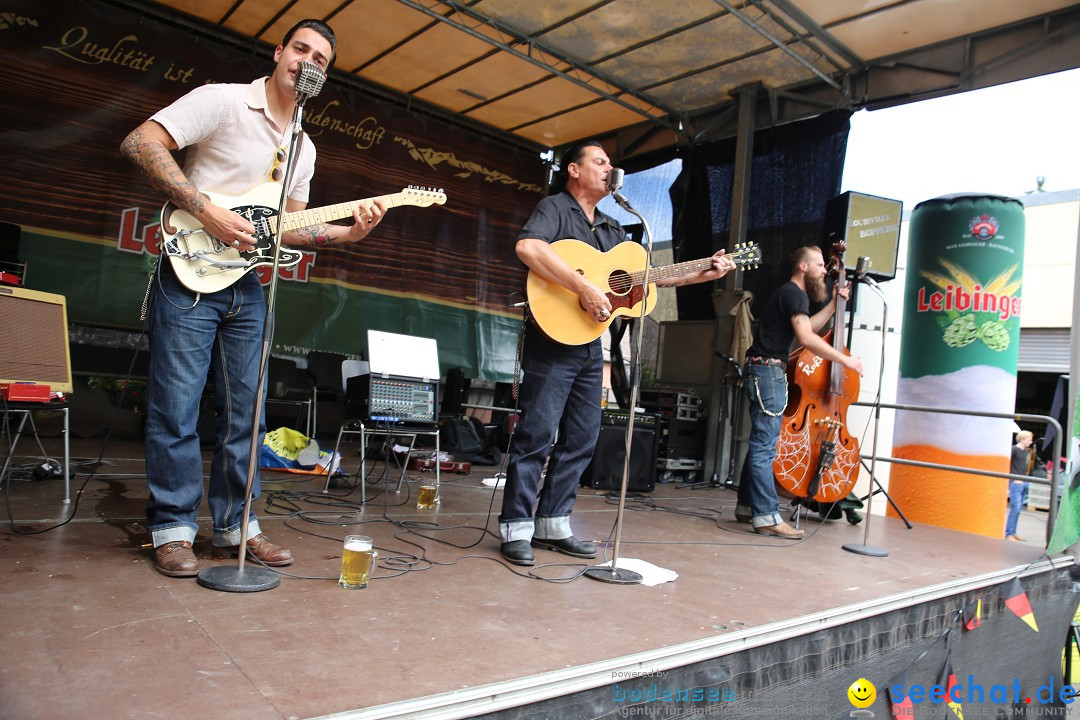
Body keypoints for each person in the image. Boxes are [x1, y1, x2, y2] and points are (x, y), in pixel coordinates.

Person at [121, 19, 386, 577]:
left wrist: (349, 234)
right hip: (188, 273)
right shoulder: (221, 101)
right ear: (278, 51)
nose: (307, 62)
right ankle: (172, 528)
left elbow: (285, 227)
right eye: (301, 49)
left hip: (248, 284)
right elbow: (141, 140)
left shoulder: (303, 146)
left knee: (249, 412)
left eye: (320, 59)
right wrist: (205, 208)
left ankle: (237, 527)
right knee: (177, 407)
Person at [498, 139, 737, 566]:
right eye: (600, 161)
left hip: (591, 346)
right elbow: (528, 248)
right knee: (537, 433)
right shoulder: (555, 208)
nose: (610, 168)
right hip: (552, 341)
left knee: (584, 437)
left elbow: (650, 279)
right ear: (574, 169)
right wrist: (584, 287)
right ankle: (517, 528)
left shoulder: (611, 228)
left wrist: (703, 273)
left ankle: (553, 523)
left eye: (611, 163)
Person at [735, 246, 864, 538]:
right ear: (803, 267)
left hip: (763, 369)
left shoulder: (792, 295)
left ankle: (746, 506)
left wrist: (833, 305)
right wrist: (845, 359)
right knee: (765, 446)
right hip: (768, 371)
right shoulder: (794, 294)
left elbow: (806, 329)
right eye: (819, 264)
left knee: (761, 441)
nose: (824, 270)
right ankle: (767, 516)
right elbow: (806, 338)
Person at [1006, 430, 1035, 541]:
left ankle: (1013, 532)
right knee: (1015, 508)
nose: (1031, 442)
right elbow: (1007, 464)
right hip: (1016, 482)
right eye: (1029, 439)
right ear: (1022, 439)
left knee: (1018, 509)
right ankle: (1009, 533)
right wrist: (1013, 478)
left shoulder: (1025, 451)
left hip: (1023, 481)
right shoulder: (1014, 450)